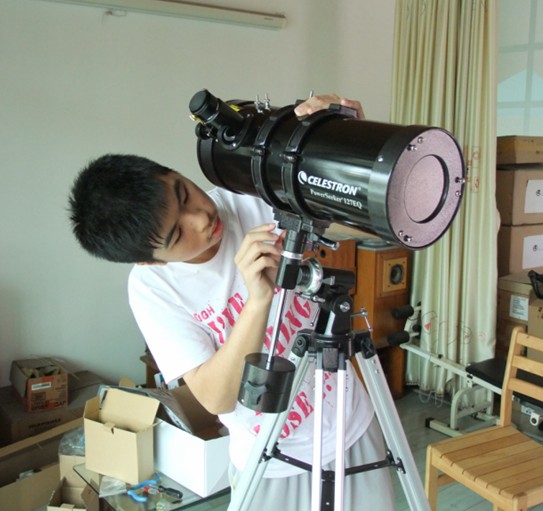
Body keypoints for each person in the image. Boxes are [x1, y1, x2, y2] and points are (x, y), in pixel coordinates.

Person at [68, 94, 395, 509]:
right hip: (270, 460)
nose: (201, 218)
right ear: (149, 260)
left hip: (352, 424)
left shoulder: (249, 192)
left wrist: (347, 149)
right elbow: (216, 399)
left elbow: (373, 227)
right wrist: (257, 301)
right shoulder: (153, 290)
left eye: (184, 193)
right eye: (177, 234)